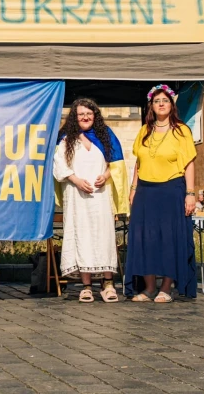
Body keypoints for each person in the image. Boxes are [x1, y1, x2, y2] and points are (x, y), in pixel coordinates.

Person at [125, 84, 197, 303]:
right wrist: (133, 188)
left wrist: (190, 193)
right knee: (145, 238)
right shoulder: (144, 130)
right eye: (157, 101)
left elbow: (189, 163)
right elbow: (139, 162)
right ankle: (148, 288)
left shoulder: (181, 130)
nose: (161, 104)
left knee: (168, 239)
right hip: (146, 190)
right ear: (152, 105)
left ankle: (166, 287)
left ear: (171, 104)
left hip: (171, 189)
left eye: (165, 100)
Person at [52, 98, 128, 304]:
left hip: (100, 195)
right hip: (76, 196)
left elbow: (117, 163)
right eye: (81, 114)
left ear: (95, 115)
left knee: (103, 235)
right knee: (81, 235)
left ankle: (108, 283)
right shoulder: (66, 138)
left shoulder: (106, 136)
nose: (85, 117)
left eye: (89, 113)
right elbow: (59, 165)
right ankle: (86, 286)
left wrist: (106, 176)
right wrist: (76, 180)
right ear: (75, 118)